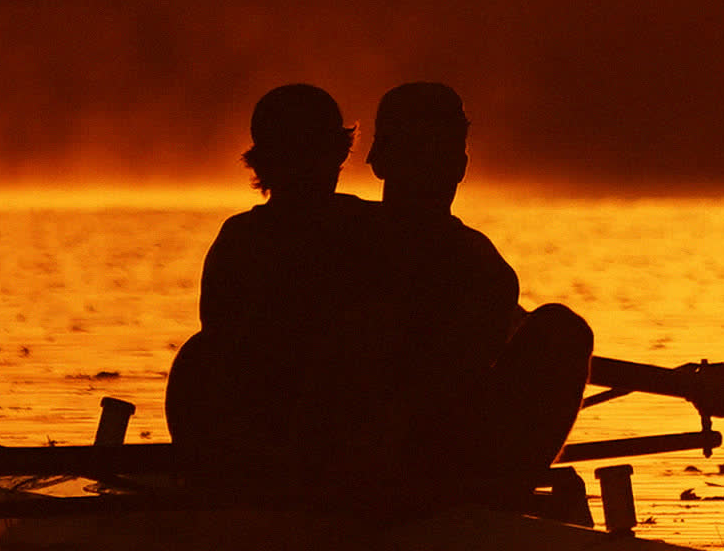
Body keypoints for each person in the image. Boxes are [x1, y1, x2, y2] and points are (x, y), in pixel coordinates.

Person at [363, 79, 595, 510]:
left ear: (377, 159)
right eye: (421, 149)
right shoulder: (481, 267)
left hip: (345, 459)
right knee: (563, 331)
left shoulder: (333, 235)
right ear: (462, 165)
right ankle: (497, 496)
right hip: (433, 469)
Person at [161, 81, 383, 490]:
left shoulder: (373, 228)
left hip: (335, 437)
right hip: (271, 438)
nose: (307, 167)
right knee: (199, 355)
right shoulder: (373, 229)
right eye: (296, 153)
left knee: (198, 356)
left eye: (313, 151)